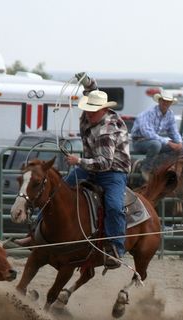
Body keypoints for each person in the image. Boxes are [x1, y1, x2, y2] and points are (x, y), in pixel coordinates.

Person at [63, 89, 131, 269]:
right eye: (88, 108)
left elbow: (105, 163)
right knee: (61, 189)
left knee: (114, 206)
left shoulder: (106, 131)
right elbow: (93, 91)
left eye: (93, 110)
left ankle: (116, 248)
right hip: (90, 168)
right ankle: (37, 228)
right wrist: (88, 83)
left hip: (113, 172)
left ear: (103, 110)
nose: (89, 113)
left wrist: (78, 160)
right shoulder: (89, 118)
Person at [131, 90, 183, 176]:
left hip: (154, 142)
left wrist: (178, 142)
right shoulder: (149, 113)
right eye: (164, 100)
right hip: (139, 142)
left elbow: (173, 131)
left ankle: (166, 167)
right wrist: (168, 143)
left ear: (171, 103)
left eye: (168, 101)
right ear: (159, 101)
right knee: (156, 144)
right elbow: (147, 133)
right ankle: (146, 169)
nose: (166, 103)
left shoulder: (170, 114)